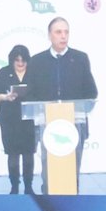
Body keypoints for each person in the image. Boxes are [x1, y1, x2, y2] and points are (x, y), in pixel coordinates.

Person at [34, 18, 99, 175]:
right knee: (50, 170)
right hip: (47, 123)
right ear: (49, 35)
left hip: (75, 121)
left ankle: (73, 190)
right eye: (58, 32)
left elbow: (91, 91)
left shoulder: (80, 58)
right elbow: (32, 94)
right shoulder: (37, 61)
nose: (63, 36)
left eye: (66, 32)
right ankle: (48, 189)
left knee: (72, 169)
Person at [0, 43, 37, 194]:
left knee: (28, 155)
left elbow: (43, 92)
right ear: (12, 60)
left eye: (23, 60)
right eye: (17, 60)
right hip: (9, 120)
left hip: (29, 120)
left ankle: (28, 187)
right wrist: (5, 97)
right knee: (13, 155)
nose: (20, 64)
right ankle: (14, 186)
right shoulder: (4, 72)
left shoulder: (34, 73)